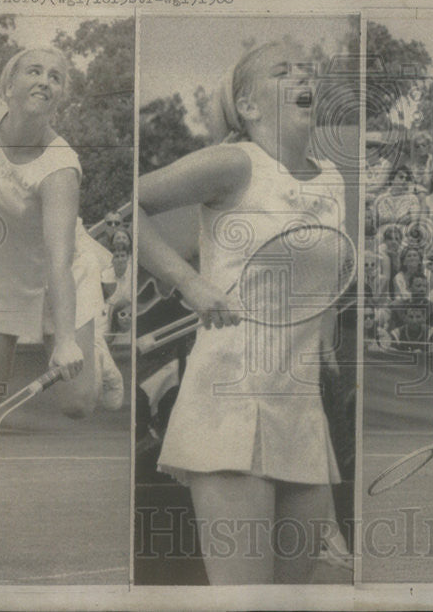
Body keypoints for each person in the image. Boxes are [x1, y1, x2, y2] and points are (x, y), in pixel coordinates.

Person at [137, 42, 349, 583]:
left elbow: (326, 271)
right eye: (283, 72)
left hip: (301, 410)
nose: (303, 76)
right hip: (229, 405)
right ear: (248, 106)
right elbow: (127, 203)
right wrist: (190, 283)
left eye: (308, 71)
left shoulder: (333, 180)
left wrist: (323, 328)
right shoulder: (234, 162)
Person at [0, 40, 109, 568]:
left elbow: (58, 261)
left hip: (61, 272)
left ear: (59, 96)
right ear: (10, 85)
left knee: (81, 404)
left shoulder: (61, 168)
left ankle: (93, 342)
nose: (44, 80)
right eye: (33, 71)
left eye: (56, 76)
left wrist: (63, 339)